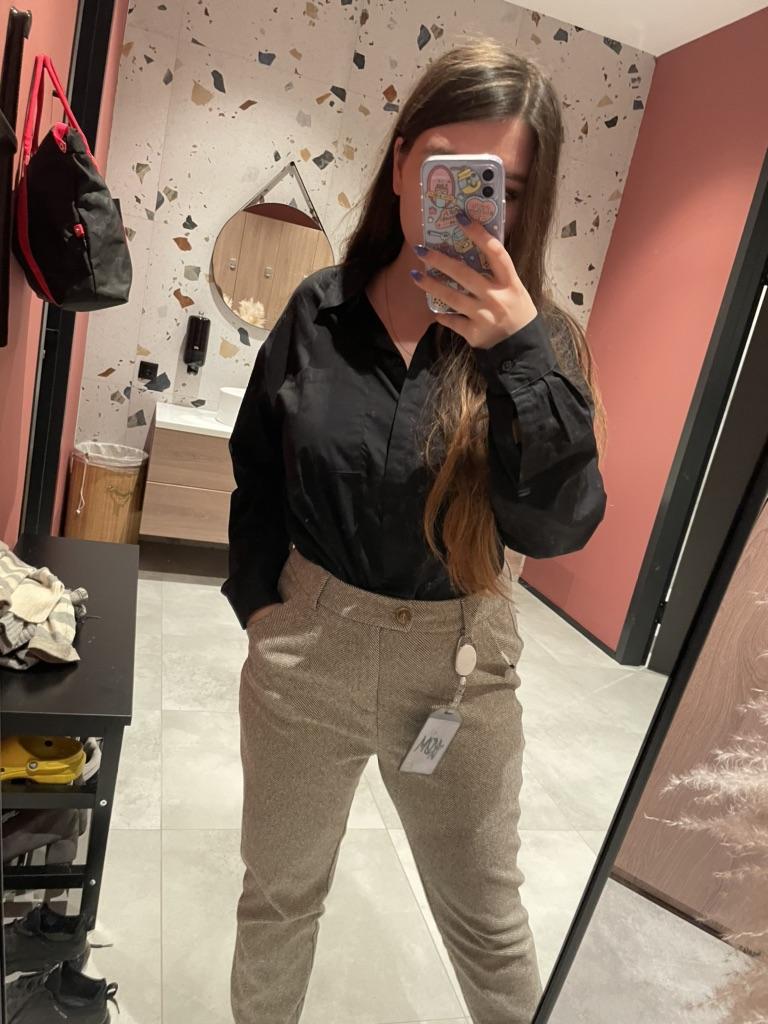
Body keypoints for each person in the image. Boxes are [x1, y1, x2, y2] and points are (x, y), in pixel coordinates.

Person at [222, 36, 607, 1024]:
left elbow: (558, 525)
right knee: (278, 898)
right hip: (306, 652)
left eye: (502, 189)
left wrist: (517, 355)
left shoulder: (545, 348)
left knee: (488, 921)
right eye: (449, 170)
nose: (475, 206)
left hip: (461, 667)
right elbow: (257, 466)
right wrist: (264, 602)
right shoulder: (317, 311)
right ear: (401, 165)